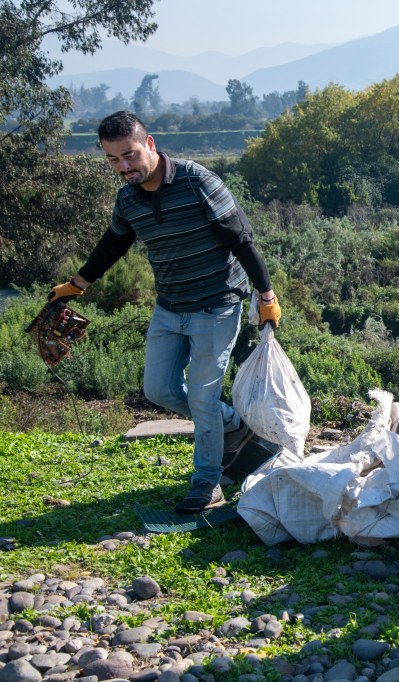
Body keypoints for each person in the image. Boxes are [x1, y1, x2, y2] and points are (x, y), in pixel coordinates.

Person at [48, 111, 282, 514]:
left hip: (217, 303)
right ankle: (235, 427)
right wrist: (79, 283)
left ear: (150, 144)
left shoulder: (199, 181)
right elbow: (114, 243)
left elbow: (242, 239)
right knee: (159, 389)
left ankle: (207, 483)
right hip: (170, 306)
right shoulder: (127, 199)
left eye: (130, 155)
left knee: (204, 396)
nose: (123, 167)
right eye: (112, 160)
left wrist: (266, 295)